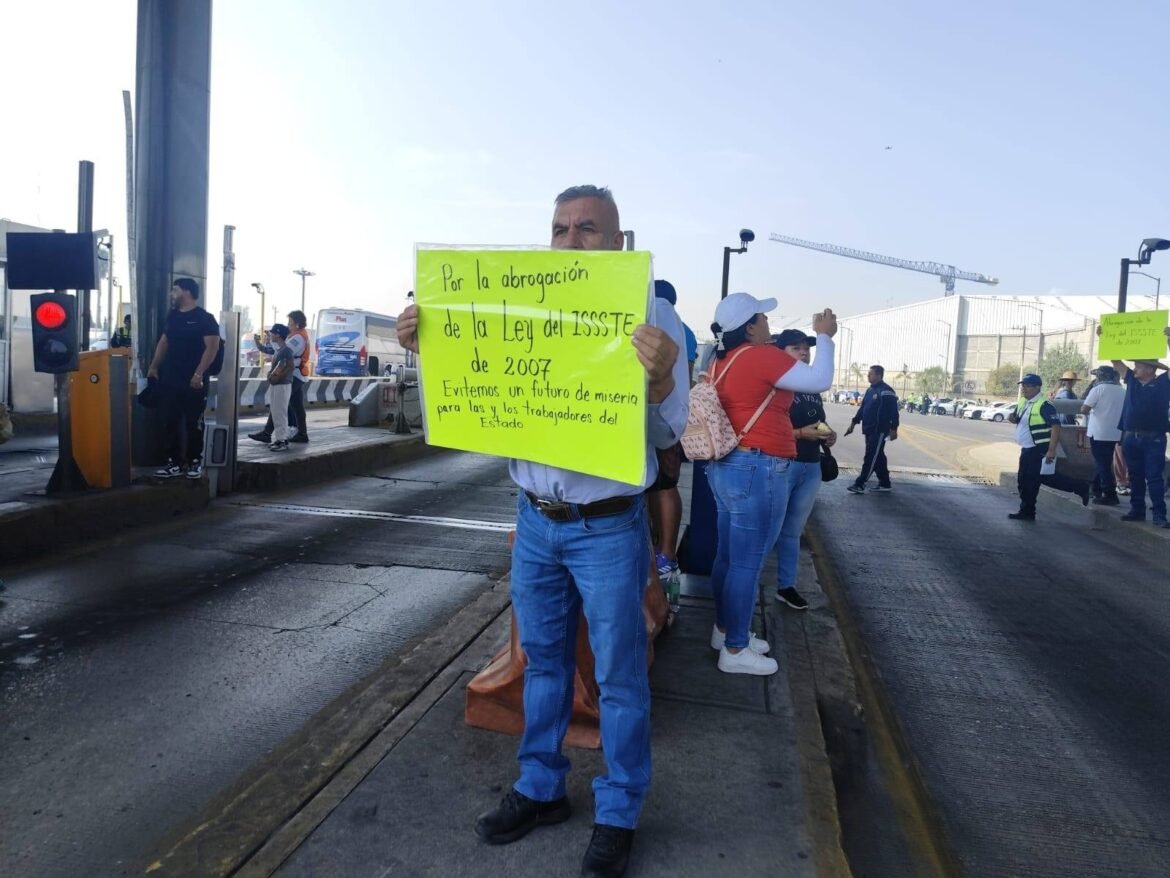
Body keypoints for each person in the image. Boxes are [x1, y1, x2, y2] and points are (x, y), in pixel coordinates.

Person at [396, 185, 687, 877]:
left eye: (588, 228)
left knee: (618, 675)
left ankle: (619, 810)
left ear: (619, 242)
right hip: (534, 520)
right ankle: (540, 786)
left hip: (609, 527)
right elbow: (481, 389)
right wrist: (423, 347)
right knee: (544, 664)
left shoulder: (656, 316)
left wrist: (658, 381)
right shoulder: (520, 303)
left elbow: (670, 435)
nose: (572, 239)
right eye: (561, 228)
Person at [707, 294, 836, 675]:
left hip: (727, 463)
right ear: (749, 326)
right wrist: (825, 337)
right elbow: (821, 379)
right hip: (758, 466)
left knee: (728, 556)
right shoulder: (759, 355)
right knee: (747, 562)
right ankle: (734, 650)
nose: (768, 324)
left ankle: (726, 630)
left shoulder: (720, 360)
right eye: (763, 317)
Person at [771, 329, 836, 611]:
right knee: (768, 530)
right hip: (783, 462)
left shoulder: (810, 386)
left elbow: (818, 419)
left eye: (805, 348)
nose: (803, 352)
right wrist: (799, 434)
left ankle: (786, 586)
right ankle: (745, 589)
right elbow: (768, 425)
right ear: (780, 352)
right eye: (795, 348)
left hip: (810, 465)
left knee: (793, 531)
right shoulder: (775, 382)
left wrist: (827, 433)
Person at [147, 278, 219, 479]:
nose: (172, 293)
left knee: (193, 422)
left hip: (193, 380)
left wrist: (199, 373)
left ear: (186, 292)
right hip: (171, 378)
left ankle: (195, 461)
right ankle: (174, 463)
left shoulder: (205, 318)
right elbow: (164, 341)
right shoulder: (173, 317)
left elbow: (212, 348)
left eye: (175, 289)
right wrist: (154, 366)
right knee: (170, 420)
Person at [646, 280, 688, 605]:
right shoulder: (684, 328)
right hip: (668, 417)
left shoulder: (659, 315)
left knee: (660, 486)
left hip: (659, 417)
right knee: (663, 486)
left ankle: (663, 553)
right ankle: (664, 553)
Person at [1108, 327, 1170, 528]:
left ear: (1151, 370)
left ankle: (1159, 514)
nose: (1134, 369)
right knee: (1135, 475)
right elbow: (1116, 362)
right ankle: (1137, 510)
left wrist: (1169, 340)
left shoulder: (1163, 384)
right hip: (1131, 438)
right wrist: (1106, 337)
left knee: (1153, 477)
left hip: (1154, 438)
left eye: (1139, 366)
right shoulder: (1132, 382)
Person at [1007, 373, 1090, 520]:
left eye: (1028, 386)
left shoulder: (1045, 405)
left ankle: (1028, 511)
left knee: (1031, 480)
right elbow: (1018, 419)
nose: (1024, 389)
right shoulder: (1023, 402)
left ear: (1037, 387)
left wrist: (1051, 450)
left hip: (1038, 449)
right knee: (1033, 479)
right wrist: (1012, 419)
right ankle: (1079, 487)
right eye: (1023, 386)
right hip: (1026, 448)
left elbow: (1056, 426)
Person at [250, 309, 311, 444]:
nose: (288, 324)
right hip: (296, 374)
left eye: (290, 321)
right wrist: (271, 341)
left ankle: (269, 433)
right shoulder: (296, 335)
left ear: (297, 323)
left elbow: (284, 351)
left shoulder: (298, 338)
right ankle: (302, 433)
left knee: (279, 404)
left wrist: (273, 341)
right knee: (296, 406)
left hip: (292, 375)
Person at [844, 366, 898, 494]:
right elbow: (862, 409)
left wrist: (894, 428)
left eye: (871, 374)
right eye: (868, 374)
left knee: (870, 457)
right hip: (868, 429)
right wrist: (853, 423)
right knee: (878, 456)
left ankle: (860, 484)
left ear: (879, 375)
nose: (868, 376)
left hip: (879, 430)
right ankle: (885, 483)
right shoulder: (869, 390)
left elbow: (894, 412)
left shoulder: (886, 391)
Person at [1080, 365, 1126, 506]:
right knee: (1104, 462)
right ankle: (1096, 488)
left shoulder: (1098, 389)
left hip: (1098, 432)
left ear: (1100, 377)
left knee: (1102, 463)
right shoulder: (1122, 391)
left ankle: (1110, 494)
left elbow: (1084, 409)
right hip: (1115, 433)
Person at [264, 324, 295, 452]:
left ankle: (282, 441)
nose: (271, 335)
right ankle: (280, 438)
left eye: (272, 333)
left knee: (280, 412)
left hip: (282, 385)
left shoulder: (286, 351)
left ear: (278, 334)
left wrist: (276, 376)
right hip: (277, 385)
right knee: (276, 412)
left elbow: (289, 366)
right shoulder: (280, 350)